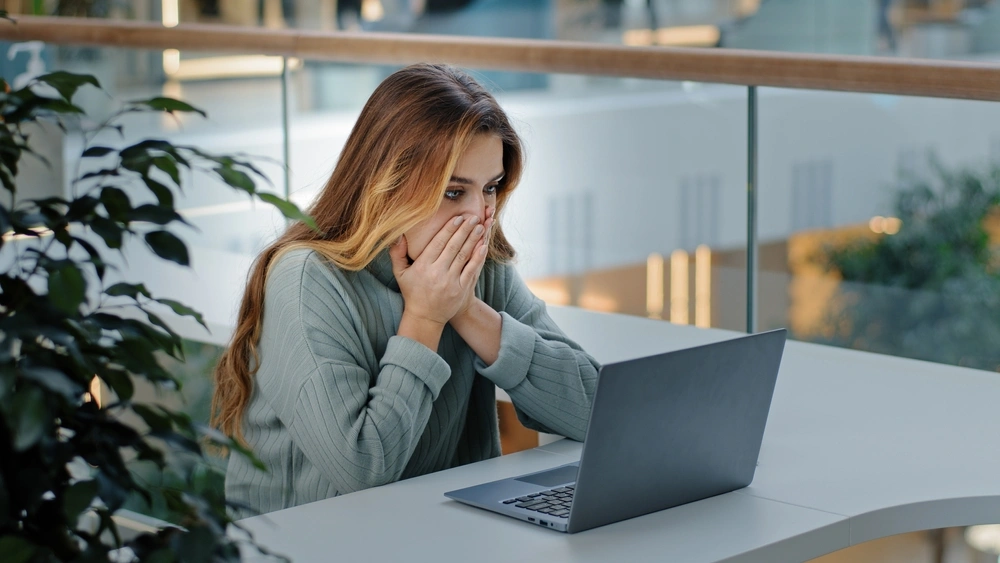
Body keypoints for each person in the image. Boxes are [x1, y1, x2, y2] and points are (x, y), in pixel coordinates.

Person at [212, 63, 600, 516]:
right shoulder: (307, 280)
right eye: (454, 192)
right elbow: (362, 470)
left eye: (490, 188)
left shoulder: (480, 268)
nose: (480, 216)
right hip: (306, 540)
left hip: (446, 531)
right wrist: (425, 318)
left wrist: (466, 310)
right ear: (387, 186)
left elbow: (596, 412)